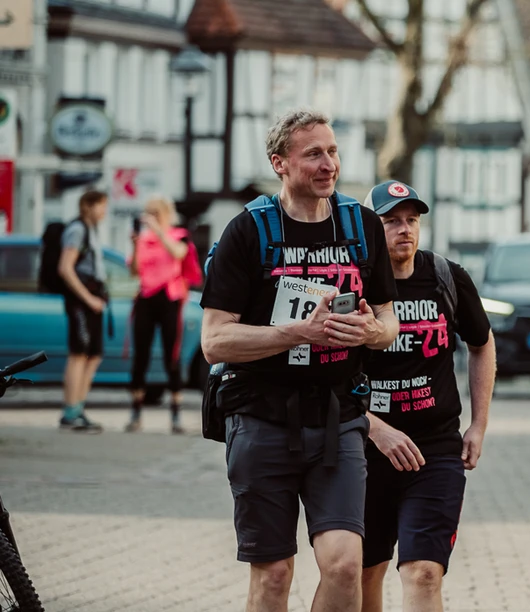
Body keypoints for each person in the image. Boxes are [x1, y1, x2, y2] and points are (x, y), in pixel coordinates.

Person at [200, 109, 399, 612]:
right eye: (313, 153)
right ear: (280, 164)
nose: (328, 163)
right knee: (273, 576)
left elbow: (388, 322)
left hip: (339, 418)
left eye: (332, 151)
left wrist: (373, 332)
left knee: (345, 565)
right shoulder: (248, 231)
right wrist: (297, 334)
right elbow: (215, 341)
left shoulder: (362, 226)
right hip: (260, 418)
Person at [359, 180, 495, 612]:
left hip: (434, 450)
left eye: (412, 220)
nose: (405, 230)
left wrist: (478, 423)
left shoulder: (447, 277)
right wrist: (374, 427)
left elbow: (482, 344)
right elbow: (328, 374)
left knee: (423, 571)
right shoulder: (354, 287)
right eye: (391, 221)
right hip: (362, 450)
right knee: (364, 573)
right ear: (368, 230)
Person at [125, 196, 194, 434]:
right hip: (146, 298)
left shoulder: (178, 235)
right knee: (140, 355)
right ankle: (135, 413)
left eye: (156, 212)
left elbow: (178, 254)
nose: (151, 217)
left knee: (171, 356)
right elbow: (134, 270)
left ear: (166, 214)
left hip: (169, 298)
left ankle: (176, 414)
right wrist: (135, 245)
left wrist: (160, 231)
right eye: (148, 212)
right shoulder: (143, 240)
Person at [58, 189, 110, 433]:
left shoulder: (91, 230)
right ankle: (70, 412)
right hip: (81, 302)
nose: (105, 211)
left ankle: (78, 408)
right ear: (89, 206)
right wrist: (88, 299)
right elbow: (65, 268)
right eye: (101, 206)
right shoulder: (77, 230)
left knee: (93, 354)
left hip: (93, 301)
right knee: (78, 353)